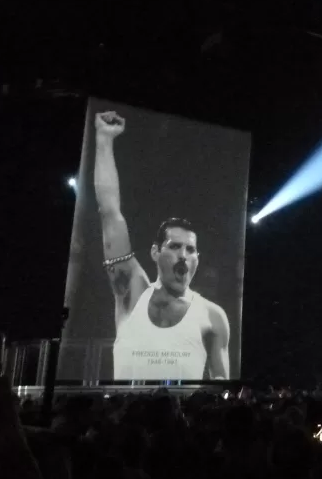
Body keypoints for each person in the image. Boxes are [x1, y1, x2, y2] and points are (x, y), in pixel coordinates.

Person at [93, 111, 230, 380]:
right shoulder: (132, 292)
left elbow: (221, 389)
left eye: (191, 250)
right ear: (155, 252)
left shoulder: (213, 317)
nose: (184, 255)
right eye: (175, 246)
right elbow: (109, 213)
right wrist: (104, 140)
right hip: (126, 418)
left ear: (197, 259)